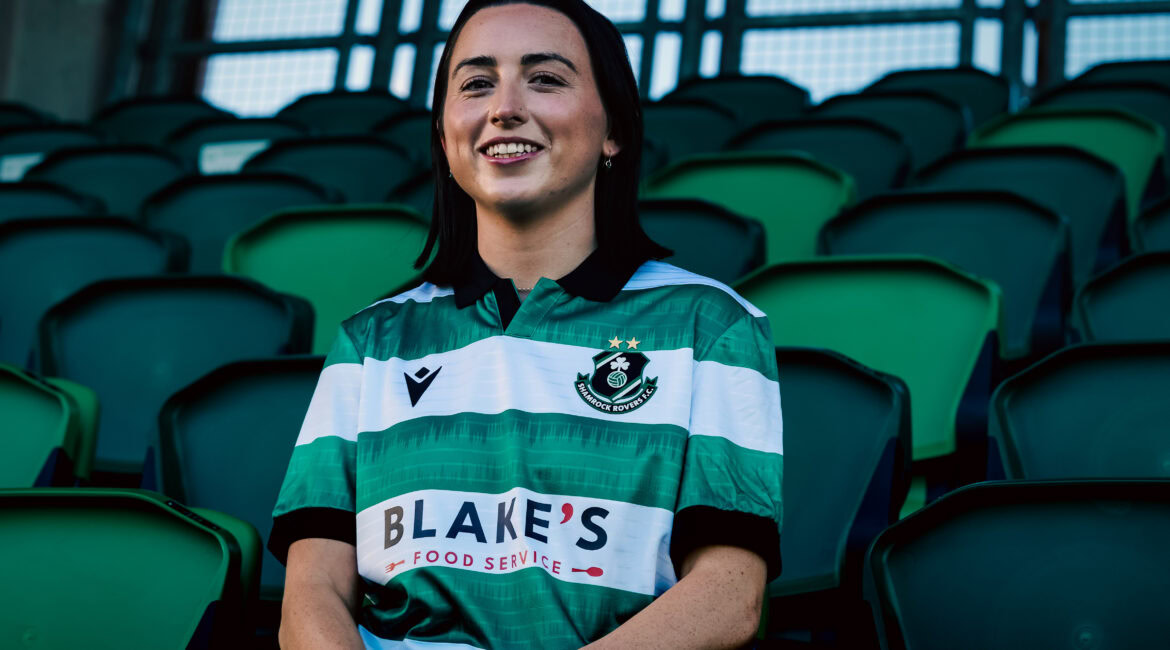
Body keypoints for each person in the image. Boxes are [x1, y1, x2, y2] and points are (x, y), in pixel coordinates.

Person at [269, 1, 783, 648]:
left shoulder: (711, 327)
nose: (504, 107)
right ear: (445, 132)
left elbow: (729, 594)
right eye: (477, 83)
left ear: (614, 130)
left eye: (545, 78)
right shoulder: (371, 341)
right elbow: (311, 594)